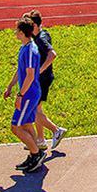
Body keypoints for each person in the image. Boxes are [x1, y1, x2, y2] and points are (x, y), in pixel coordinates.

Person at [4, 18, 46, 173]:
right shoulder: (24, 48)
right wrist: (10, 86)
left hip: (29, 94)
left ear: (22, 32)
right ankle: (35, 153)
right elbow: (20, 71)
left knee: (15, 127)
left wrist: (20, 95)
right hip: (28, 93)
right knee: (27, 125)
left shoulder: (30, 50)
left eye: (17, 30)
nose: (15, 32)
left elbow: (29, 75)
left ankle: (36, 154)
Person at [24, 10, 67, 154]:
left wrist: (39, 71)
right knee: (37, 109)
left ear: (35, 25)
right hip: (41, 78)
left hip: (43, 79)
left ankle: (56, 131)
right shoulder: (39, 35)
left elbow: (52, 54)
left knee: (33, 110)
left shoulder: (41, 38)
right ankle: (40, 140)